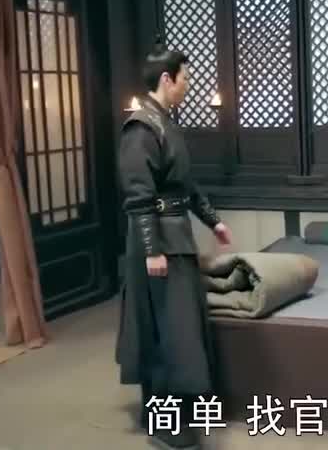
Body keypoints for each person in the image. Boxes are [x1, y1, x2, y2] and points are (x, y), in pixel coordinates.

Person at [115, 41, 232, 450]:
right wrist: (152, 250)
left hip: (177, 237)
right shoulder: (141, 128)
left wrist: (213, 221)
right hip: (157, 245)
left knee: (181, 328)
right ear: (167, 79)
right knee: (163, 329)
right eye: (186, 78)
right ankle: (163, 420)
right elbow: (139, 196)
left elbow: (185, 185)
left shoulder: (165, 122)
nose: (188, 85)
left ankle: (182, 410)